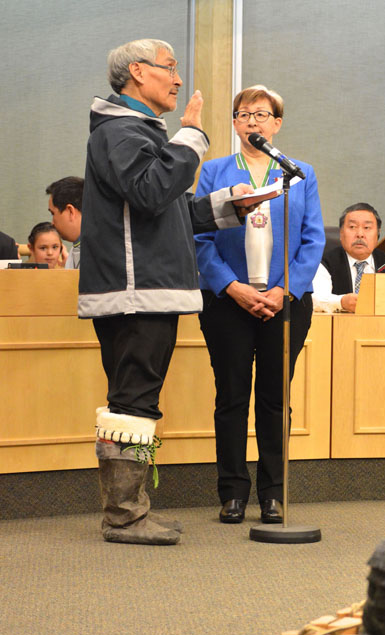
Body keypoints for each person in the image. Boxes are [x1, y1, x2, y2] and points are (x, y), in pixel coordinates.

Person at [79, 38, 253, 546]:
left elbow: (166, 208)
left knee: (135, 399)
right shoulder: (119, 131)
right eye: (170, 69)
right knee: (133, 401)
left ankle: (130, 511)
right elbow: (154, 190)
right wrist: (193, 136)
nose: (178, 80)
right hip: (137, 291)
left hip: (150, 289)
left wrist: (226, 206)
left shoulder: (137, 132)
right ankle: (124, 517)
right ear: (137, 71)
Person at [194, 85, 324, 525]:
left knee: (274, 398)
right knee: (231, 396)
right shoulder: (213, 171)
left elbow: (313, 239)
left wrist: (283, 289)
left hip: (284, 302)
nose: (252, 121)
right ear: (233, 123)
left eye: (262, 114)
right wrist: (232, 287)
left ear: (277, 123)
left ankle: (274, 493)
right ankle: (232, 492)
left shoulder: (299, 172)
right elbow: (200, 238)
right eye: (243, 113)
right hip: (227, 301)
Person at [312, 202, 385, 314]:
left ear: (378, 234)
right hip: (339, 328)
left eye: (367, 228)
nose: (360, 234)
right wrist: (341, 302)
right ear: (341, 233)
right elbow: (315, 299)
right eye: (352, 227)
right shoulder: (324, 264)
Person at [46, 176, 84, 269]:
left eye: (53, 213)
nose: (52, 223)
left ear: (70, 211)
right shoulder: (74, 251)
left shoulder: (102, 252)